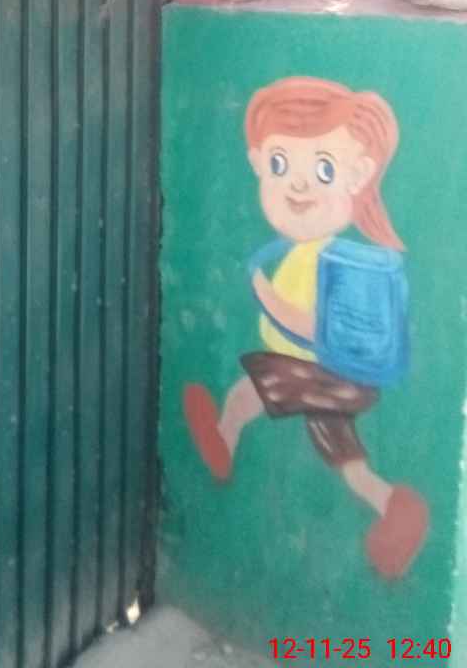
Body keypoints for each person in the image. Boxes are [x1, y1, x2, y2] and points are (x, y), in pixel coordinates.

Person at [183, 76, 429, 579]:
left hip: (317, 370)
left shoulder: (329, 261)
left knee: (248, 389)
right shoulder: (304, 250)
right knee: (346, 460)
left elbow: (317, 326)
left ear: (358, 175)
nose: (298, 185)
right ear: (258, 163)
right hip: (335, 380)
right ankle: (391, 505)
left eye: (323, 169)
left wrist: (266, 297)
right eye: (279, 165)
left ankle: (224, 438)